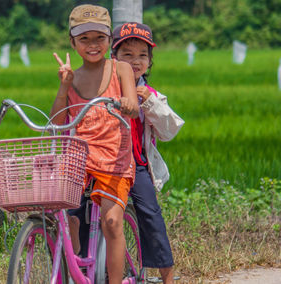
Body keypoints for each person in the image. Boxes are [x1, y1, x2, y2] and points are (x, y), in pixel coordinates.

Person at [50, 4, 139, 283]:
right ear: (72, 42)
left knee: (112, 222)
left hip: (114, 159)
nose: (92, 45)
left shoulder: (121, 69)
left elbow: (134, 106)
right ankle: (76, 262)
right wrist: (64, 85)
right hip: (79, 159)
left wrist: (127, 102)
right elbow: (56, 120)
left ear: (109, 40)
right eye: (84, 39)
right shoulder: (72, 77)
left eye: (99, 38)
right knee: (64, 217)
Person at [111, 22, 185, 284]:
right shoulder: (105, 89)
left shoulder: (150, 94)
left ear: (150, 61)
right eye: (127, 55)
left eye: (142, 55)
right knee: (83, 210)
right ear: (114, 58)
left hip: (137, 164)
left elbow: (169, 130)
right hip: (105, 163)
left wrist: (150, 103)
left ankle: (167, 277)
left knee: (151, 216)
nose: (135, 61)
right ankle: (86, 268)